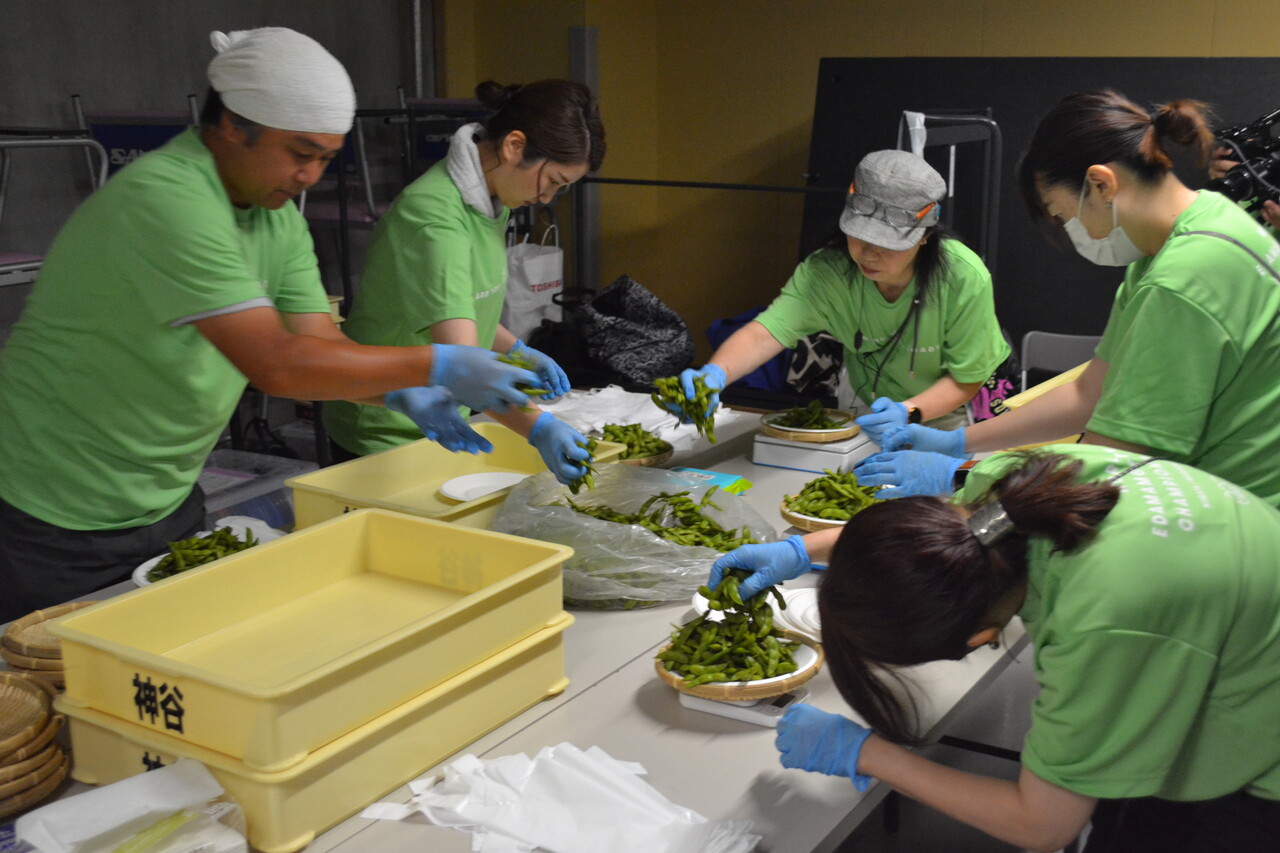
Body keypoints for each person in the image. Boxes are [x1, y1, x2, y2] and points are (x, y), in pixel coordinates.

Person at [0, 28, 542, 622]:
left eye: (326, 158)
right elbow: (276, 364)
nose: (311, 175)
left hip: (163, 495)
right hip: (51, 502)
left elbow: (319, 343)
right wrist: (435, 364)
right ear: (234, 125)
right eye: (300, 153)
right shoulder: (167, 199)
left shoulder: (274, 217)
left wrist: (394, 391)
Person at [712, 445, 1280, 852]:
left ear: (980, 639)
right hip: (1225, 608)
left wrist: (865, 753)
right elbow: (935, 545)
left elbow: (1042, 826)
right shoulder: (1006, 493)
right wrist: (802, 550)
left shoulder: (1102, 624)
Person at [855, 90, 1280, 508]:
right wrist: (957, 442)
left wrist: (962, 474)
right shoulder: (1195, 229)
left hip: (1239, 516)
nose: (1074, 233)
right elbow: (1088, 393)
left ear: (1100, 184)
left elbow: (1113, 458)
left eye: (1062, 215)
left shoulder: (1183, 277)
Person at [323, 79, 605, 483]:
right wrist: (539, 427)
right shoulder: (434, 217)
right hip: (384, 429)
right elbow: (468, 368)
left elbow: (464, 303)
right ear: (514, 146)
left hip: (440, 418)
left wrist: (515, 349)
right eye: (553, 181)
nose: (547, 198)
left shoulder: (491, 200)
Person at [666, 149, 1009, 443]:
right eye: (859, 237)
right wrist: (715, 375)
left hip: (941, 414)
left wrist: (908, 412)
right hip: (864, 405)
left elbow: (966, 380)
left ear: (924, 235)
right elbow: (764, 334)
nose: (868, 254)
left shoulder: (962, 277)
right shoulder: (827, 271)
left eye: (887, 244)